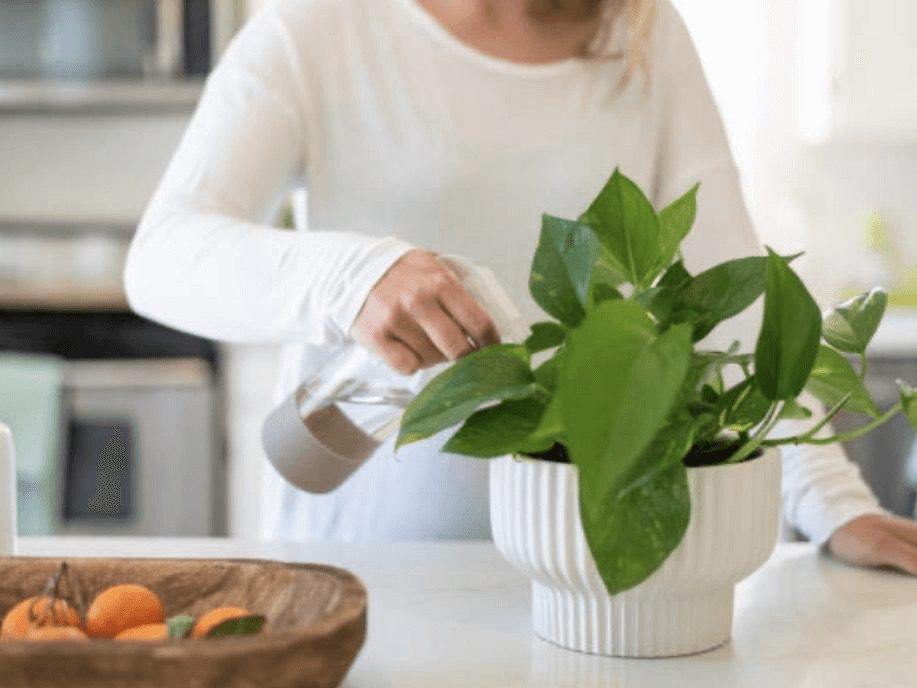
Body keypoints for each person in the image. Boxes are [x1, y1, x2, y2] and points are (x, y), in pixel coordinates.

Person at [124, 0, 917, 572]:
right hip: (364, 570)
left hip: (576, 575)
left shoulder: (641, 36)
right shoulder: (318, 31)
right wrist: (347, 275)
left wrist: (832, 503)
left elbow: (725, 294)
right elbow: (162, 256)